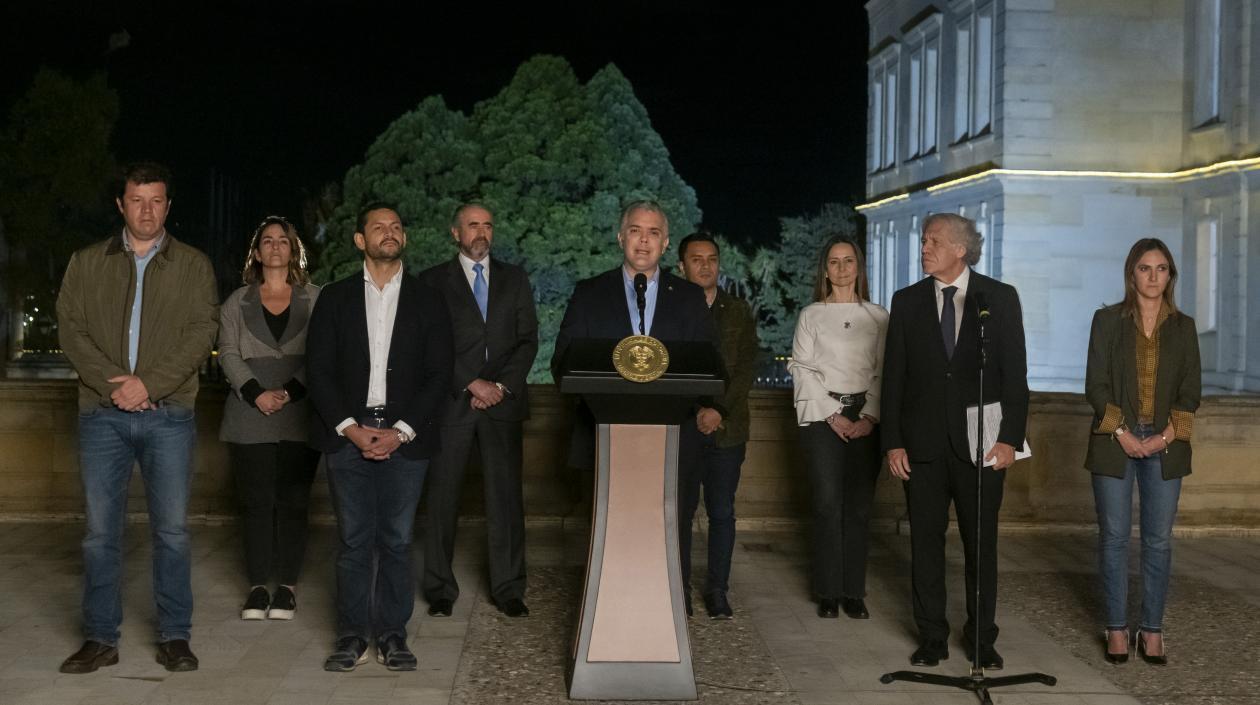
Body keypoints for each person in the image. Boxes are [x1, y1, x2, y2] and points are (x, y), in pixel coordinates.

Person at [55, 161, 219, 673]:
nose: (146, 210)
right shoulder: (86, 262)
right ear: (120, 205)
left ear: (167, 206)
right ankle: (100, 639)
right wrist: (118, 386)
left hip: (168, 415)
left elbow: (202, 333)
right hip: (102, 416)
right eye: (136, 200)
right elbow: (71, 331)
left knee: (171, 532)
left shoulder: (194, 265)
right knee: (100, 534)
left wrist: (148, 384)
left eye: (156, 200)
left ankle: (175, 637)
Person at [306, 203, 453, 672]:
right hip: (347, 433)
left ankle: (392, 635)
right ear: (359, 239)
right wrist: (350, 429)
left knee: (396, 540)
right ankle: (351, 636)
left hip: (407, 438)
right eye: (377, 227)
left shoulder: (429, 299)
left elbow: (439, 373)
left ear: (404, 239)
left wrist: (401, 432)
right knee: (352, 540)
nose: (388, 233)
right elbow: (319, 371)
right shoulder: (334, 297)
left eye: (395, 227)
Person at [881, 213, 1028, 670]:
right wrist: (893, 442)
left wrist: (1009, 440)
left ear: (961, 250)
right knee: (924, 545)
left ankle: (982, 639)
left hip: (981, 449)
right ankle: (932, 637)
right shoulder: (906, 302)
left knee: (980, 545)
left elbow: (1016, 378)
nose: (924, 248)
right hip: (921, 447)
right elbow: (894, 379)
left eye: (934, 241)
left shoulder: (998, 299)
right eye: (924, 240)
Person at [419, 203, 539, 619]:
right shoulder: (432, 281)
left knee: (505, 500)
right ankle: (438, 589)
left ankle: (508, 588)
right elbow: (430, 344)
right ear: (456, 233)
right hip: (452, 403)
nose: (481, 232)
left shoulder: (515, 278)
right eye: (473, 225)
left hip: (502, 406)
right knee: (441, 498)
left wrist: (500, 387)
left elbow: (528, 341)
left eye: (488, 224)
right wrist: (472, 382)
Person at [1085, 238, 1200, 666]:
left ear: (1171, 276)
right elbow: (1094, 385)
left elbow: (1191, 391)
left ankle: (1151, 630)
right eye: (1145, 268)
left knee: (1157, 541)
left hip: (1166, 445)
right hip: (1115, 441)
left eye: (1162, 268)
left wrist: (1165, 436)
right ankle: (1116, 627)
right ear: (1131, 273)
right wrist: (1123, 432)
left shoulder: (1184, 327)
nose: (1154, 277)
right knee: (1114, 538)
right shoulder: (1107, 320)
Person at [550, 200, 718, 463]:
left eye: (653, 233)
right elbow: (561, 362)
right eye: (635, 230)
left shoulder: (690, 298)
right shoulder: (589, 293)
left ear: (664, 243)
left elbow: (710, 363)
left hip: (672, 442)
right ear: (620, 237)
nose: (643, 240)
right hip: (601, 437)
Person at [217, 216, 322, 621]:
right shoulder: (236, 301)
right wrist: (255, 393)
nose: (276, 246)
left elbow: (323, 354)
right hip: (249, 413)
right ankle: (259, 587)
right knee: (257, 503)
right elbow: (227, 352)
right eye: (268, 240)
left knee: (294, 502)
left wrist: (289, 392)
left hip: (300, 412)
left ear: (293, 250)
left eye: (283, 240)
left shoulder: (316, 299)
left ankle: (288, 589)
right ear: (257, 252)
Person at [788, 236, 887, 620]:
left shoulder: (879, 316)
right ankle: (828, 592)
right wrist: (833, 415)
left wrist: (869, 417)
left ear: (858, 267)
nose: (842, 268)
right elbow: (802, 368)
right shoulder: (811, 315)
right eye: (834, 261)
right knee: (828, 504)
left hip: (867, 416)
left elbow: (885, 369)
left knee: (860, 509)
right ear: (824, 269)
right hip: (822, 416)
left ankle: (853, 592)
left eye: (848, 261)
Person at [675, 232, 758, 619]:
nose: (705, 265)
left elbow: (744, 369)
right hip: (682, 427)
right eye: (696, 259)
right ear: (681, 266)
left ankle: (717, 590)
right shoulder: (668, 309)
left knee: (722, 511)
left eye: (711, 259)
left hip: (728, 429)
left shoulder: (738, 310)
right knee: (680, 510)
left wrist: (718, 411)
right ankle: (678, 589)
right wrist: (694, 412)